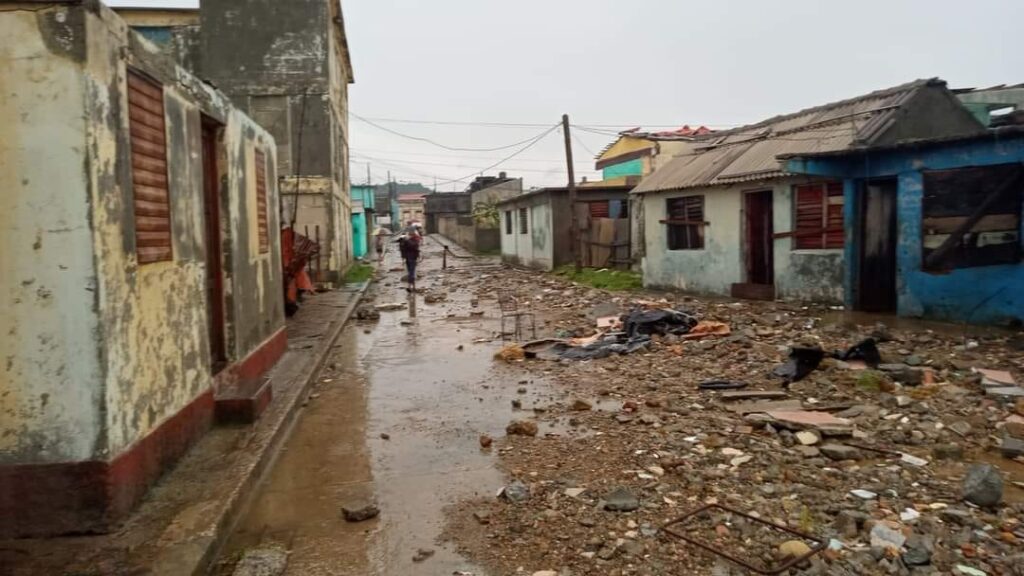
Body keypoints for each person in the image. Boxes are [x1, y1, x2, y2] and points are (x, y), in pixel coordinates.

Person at [398, 222, 422, 292]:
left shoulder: (415, 239)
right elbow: (402, 248)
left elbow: (414, 246)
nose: (409, 234)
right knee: (410, 271)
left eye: (410, 233)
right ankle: (413, 286)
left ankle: (410, 286)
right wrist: (402, 242)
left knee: (412, 271)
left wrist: (407, 240)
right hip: (408, 257)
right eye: (409, 233)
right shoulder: (406, 239)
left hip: (413, 257)